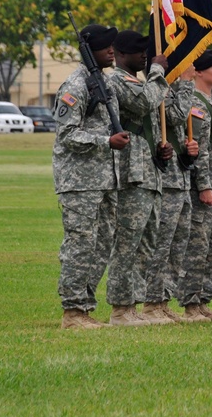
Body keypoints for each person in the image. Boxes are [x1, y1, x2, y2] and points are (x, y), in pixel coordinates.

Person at [53, 23, 125, 330]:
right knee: (81, 243)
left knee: (101, 242)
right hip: (79, 181)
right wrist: (105, 141)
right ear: (90, 49)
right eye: (106, 45)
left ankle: (85, 306)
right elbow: (66, 134)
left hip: (105, 178)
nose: (112, 50)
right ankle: (72, 312)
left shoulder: (103, 82)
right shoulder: (75, 86)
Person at [106, 30, 171, 326]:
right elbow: (145, 102)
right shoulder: (116, 80)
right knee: (127, 244)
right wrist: (158, 68)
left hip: (148, 172)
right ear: (119, 54)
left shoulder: (138, 81)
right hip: (130, 175)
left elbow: (148, 120)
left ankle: (135, 305)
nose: (144, 54)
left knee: (146, 243)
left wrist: (161, 147)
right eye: (137, 50)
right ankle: (120, 308)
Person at [139, 68, 201, 324]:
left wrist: (188, 152)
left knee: (177, 248)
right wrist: (186, 83)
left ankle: (163, 300)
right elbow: (175, 117)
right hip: (165, 182)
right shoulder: (160, 91)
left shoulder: (174, 91)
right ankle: (151, 303)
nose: (191, 69)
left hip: (181, 179)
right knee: (161, 246)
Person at [177, 48, 212, 323]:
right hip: (206, 184)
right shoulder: (196, 105)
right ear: (198, 71)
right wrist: (205, 186)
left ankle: (203, 301)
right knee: (198, 247)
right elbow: (198, 149)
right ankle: (190, 303)